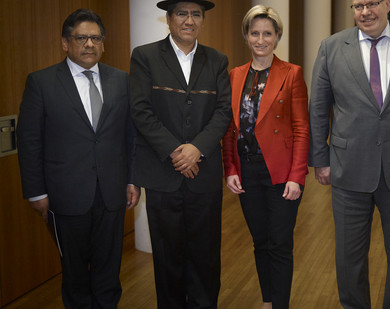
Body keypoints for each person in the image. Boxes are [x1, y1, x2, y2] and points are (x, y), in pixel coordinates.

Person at [308, 0, 390, 307]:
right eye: (357, 5)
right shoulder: (331, 47)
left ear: (387, 4)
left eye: (371, 3)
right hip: (347, 168)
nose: (364, 12)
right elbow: (318, 108)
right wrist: (320, 158)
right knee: (348, 258)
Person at [16, 8, 140, 308]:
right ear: (65, 42)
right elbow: (29, 140)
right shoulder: (41, 82)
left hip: (112, 192)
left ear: (103, 43)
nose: (89, 44)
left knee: (109, 269)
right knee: (74, 273)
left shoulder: (122, 81)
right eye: (81, 37)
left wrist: (133, 180)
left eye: (95, 38)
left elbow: (131, 136)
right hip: (65, 194)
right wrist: (36, 192)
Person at [129, 0, 232, 307]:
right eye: (182, 13)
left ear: (202, 20)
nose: (190, 20)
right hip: (163, 176)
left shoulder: (217, 60)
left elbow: (224, 111)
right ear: (169, 18)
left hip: (204, 175)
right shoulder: (145, 57)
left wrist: (197, 148)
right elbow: (140, 109)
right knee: (167, 256)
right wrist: (177, 151)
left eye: (196, 14)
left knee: (206, 255)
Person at [222, 5, 309, 309]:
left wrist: (297, 177)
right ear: (246, 36)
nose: (261, 39)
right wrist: (230, 168)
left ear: (277, 37)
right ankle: (268, 301)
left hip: (281, 173)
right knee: (260, 242)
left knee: (280, 244)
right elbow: (229, 130)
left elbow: (301, 128)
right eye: (255, 33)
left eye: (267, 33)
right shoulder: (234, 75)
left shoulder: (292, 73)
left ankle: (281, 304)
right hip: (247, 171)